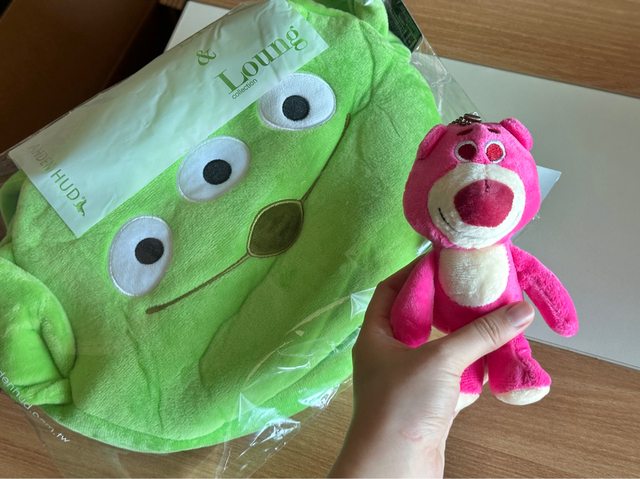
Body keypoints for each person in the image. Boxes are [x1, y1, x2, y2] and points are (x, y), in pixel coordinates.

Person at [329, 259, 535, 478]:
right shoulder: (434, 261)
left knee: (501, 350)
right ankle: (504, 377)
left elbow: (538, 280)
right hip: (459, 331)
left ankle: (519, 373)